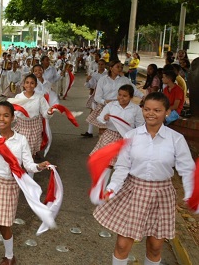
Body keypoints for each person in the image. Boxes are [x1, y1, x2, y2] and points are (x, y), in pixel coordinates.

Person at [93, 92, 195, 265]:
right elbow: (122, 166)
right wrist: (112, 188)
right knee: (123, 244)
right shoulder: (131, 136)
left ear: (167, 112)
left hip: (161, 195)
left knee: (155, 246)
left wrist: (191, 193)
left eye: (157, 110)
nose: (151, 113)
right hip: (134, 191)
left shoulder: (176, 139)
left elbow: (187, 169)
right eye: (147, 109)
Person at [0, 101, 51, 265]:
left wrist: (39, 167)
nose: (2, 119)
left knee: (4, 226)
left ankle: (9, 256)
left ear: (13, 118)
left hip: (10, 186)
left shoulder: (20, 140)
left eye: (6, 115)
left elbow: (28, 165)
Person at [84, 60, 143, 138]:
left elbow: (134, 90)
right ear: (111, 68)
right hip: (105, 107)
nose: (120, 69)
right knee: (103, 132)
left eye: (121, 67)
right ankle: (105, 147)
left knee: (120, 130)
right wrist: (104, 102)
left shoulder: (124, 80)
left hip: (121, 107)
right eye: (117, 67)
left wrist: (144, 97)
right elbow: (97, 97)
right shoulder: (103, 80)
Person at [90, 85, 144, 165]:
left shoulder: (136, 109)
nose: (121, 97)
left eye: (125, 96)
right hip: (110, 135)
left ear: (131, 97)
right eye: (119, 94)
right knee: (106, 162)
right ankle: (104, 177)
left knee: (122, 163)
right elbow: (100, 119)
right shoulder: (111, 105)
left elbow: (140, 125)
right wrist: (104, 119)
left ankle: (117, 177)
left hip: (126, 137)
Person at [11, 73, 54, 160]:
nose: (29, 85)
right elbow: (14, 112)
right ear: (23, 84)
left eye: (32, 83)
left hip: (34, 129)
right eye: (27, 82)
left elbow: (45, 112)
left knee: (30, 154)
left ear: (35, 85)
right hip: (21, 127)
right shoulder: (18, 97)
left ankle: (30, 172)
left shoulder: (39, 97)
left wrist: (49, 113)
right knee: (19, 152)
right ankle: (21, 171)